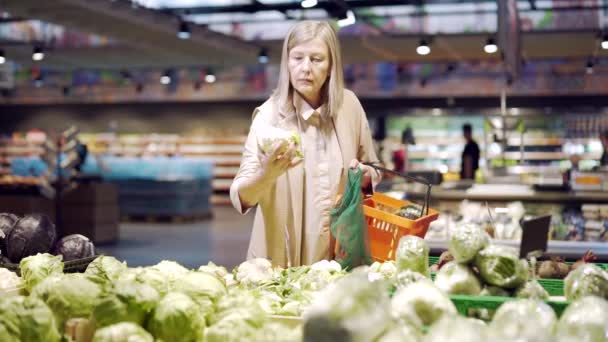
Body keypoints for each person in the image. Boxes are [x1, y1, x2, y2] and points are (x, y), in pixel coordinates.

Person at [230, 21, 381, 267]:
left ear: (331, 66)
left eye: (317, 59)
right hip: (282, 261)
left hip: (342, 254)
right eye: (297, 58)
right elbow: (240, 196)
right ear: (287, 63)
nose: (305, 68)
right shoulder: (268, 117)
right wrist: (265, 175)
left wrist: (365, 175)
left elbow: (373, 167)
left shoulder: (349, 106)